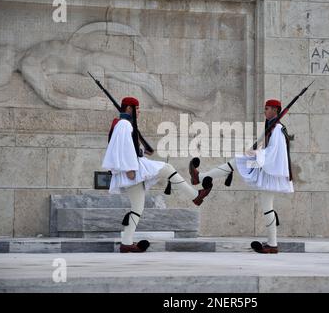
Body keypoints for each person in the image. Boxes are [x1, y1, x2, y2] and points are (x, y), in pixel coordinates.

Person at [102, 96, 213, 253]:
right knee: (167, 168)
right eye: (137, 109)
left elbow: (129, 147)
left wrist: (142, 151)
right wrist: (129, 169)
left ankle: (126, 243)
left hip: (132, 167)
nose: (139, 112)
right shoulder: (124, 124)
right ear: (129, 109)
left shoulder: (123, 123)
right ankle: (195, 195)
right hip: (132, 169)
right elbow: (122, 148)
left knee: (137, 207)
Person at [189, 99, 294, 254]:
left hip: (270, 172)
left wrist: (256, 153)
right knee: (238, 162)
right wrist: (257, 150)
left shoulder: (277, 128)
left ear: (275, 110)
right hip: (265, 167)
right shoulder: (271, 126)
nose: (264, 111)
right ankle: (201, 177)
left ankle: (272, 245)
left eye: (267, 109)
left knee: (267, 207)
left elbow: (274, 152)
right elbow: (268, 149)